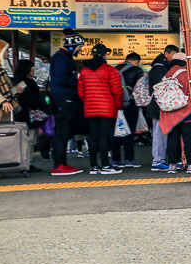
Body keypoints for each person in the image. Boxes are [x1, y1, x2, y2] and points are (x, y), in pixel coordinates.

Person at [77, 43, 123, 175]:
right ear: (104, 55)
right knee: (104, 137)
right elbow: (117, 91)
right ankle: (106, 166)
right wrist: (118, 106)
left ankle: (93, 166)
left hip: (90, 109)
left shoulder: (84, 71)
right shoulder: (110, 70)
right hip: (107, 109)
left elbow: (81, 92)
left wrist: (89, 102)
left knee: (93, 137)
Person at [159, 51, 191, 174]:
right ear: (186, 62)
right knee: (188, 140)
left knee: (172, 139)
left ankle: (172, 165)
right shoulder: (188, 75)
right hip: (186, 112)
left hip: (169, 114)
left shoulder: (167, 75)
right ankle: (190, 166)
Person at [49, 29, 85, 175]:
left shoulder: (63, 57)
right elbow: (60, 79)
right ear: (72, 44)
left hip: (64, 98)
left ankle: (62, 163)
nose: (80, 49)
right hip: (64, 99)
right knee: (62, 132)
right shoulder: (61, 58)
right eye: (79, 46)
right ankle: (58, 165)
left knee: (64, 132)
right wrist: (78, 81)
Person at [11, 59, 46, 173]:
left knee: (22, 140)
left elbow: (14, 95)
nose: (33, 70)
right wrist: (41, 105)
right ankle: (26, 164)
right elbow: (31, 99)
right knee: (30, 140)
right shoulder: (26, 82)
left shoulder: (15, 81)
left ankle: (22, 163)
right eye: (32, 68)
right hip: (28, 115)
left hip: (18, 115)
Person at [111, 52, 144, 168]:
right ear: (136, 61)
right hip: (131, 103)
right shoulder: (137, 70)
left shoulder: (114, 69)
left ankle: (115, 159)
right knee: (129, 131)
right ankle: (129, 159)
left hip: (115, 104)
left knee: (117, 131)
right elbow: (141, 88)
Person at [146, 44, 176, 172]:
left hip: (160, 107)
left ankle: (161, 160)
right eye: (173, 54)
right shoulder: (159, 68)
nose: (174, 57)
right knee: (159, 134)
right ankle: (158, 161)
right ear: (166, 54)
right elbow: (161, 87)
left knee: (162, 134)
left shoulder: (160, 67)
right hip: (159, 107)